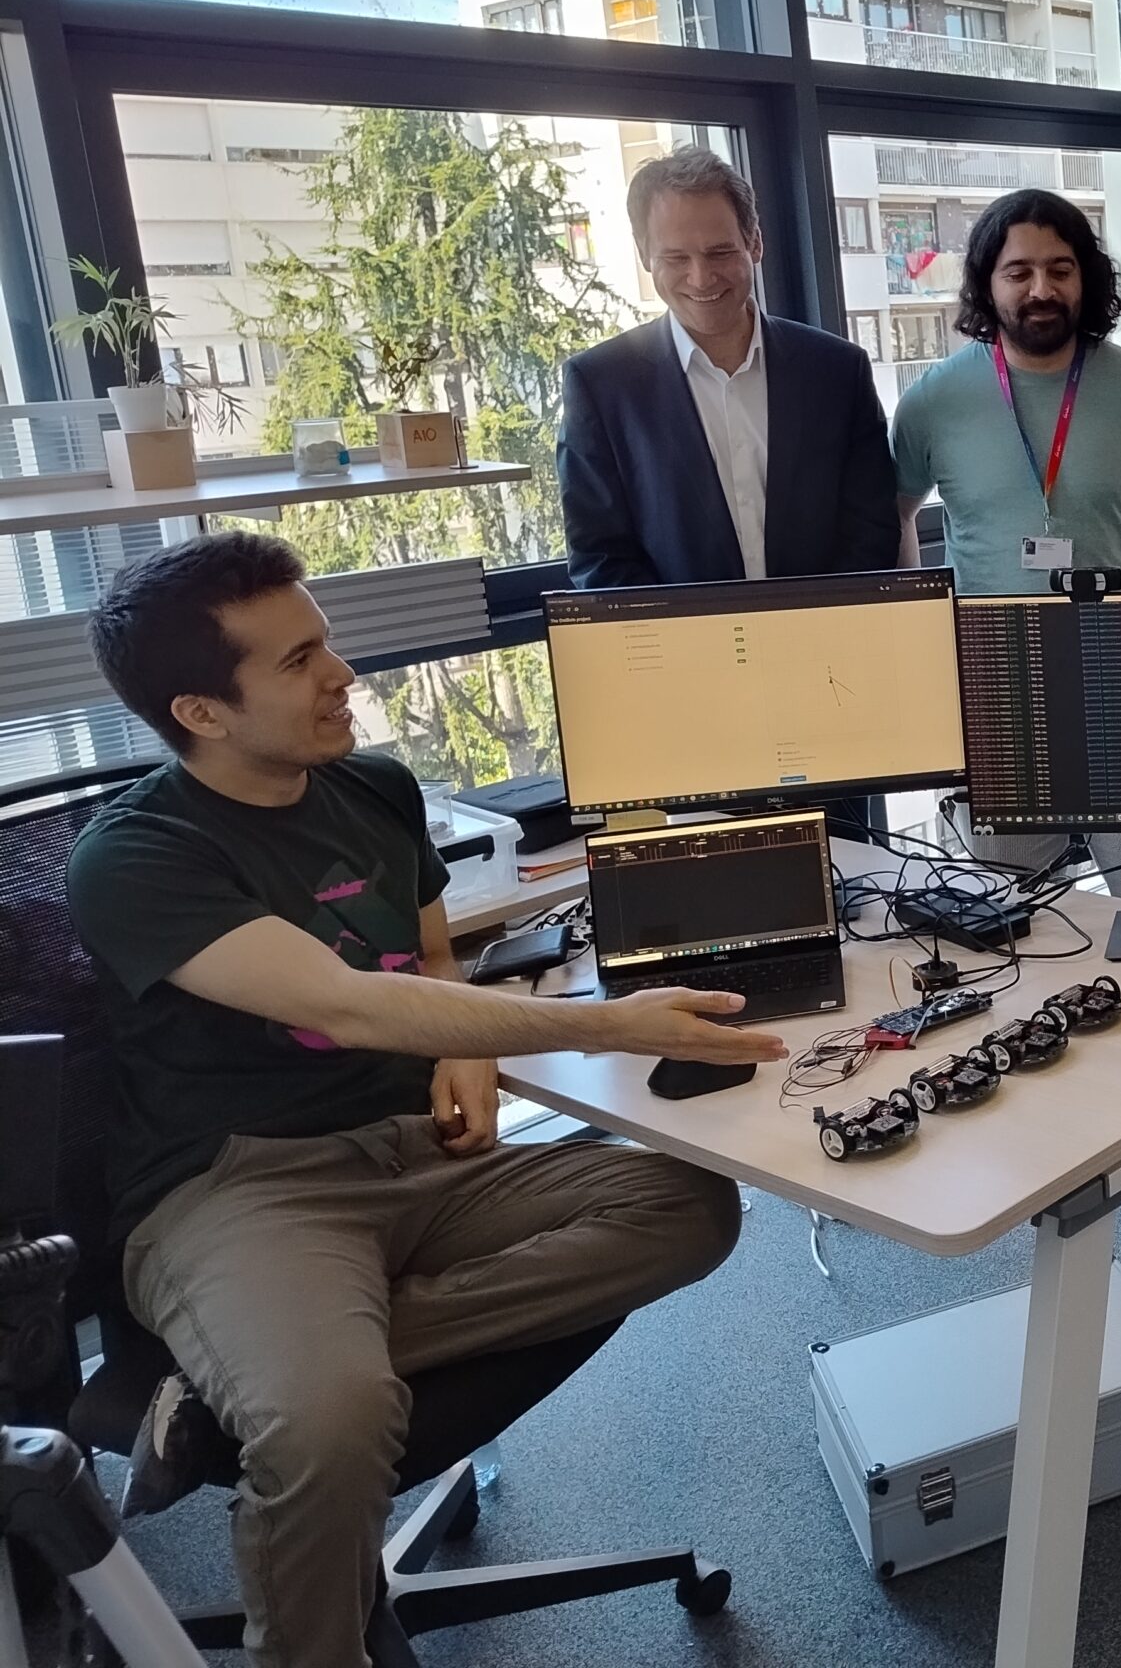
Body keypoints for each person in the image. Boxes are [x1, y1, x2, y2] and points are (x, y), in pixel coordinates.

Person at [66, 532, 787, 1668]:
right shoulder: (133, 855)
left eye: (329, 640)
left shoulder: (377, 788)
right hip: (239, 1184)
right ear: (201, 710)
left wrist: (468, 1052)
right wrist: (609, 1021)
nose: (341, 671)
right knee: (327, 1419)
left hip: (415, 1151)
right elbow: (347, 1002)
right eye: (299, 659)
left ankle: (243, 1383)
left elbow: (426, 963)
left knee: (690, 1207)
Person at [895, 187, 1121, 898]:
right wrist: (921, 636)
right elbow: (895, 512)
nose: (1041, 289)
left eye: (1060, 268)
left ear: (1086, 277)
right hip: (1002, 697)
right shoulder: (933, 400)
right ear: (988, 285)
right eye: (1018, 272)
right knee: (1007, 916)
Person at [557, 145, 902, 586]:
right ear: (645, 257)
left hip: (822, 644)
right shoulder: (601, 386)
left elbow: (870, 532)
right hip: (680, 650)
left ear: (754, 241)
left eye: (719, 253)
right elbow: (599, 555)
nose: (700, 278)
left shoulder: (837, 372)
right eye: (675, 258)